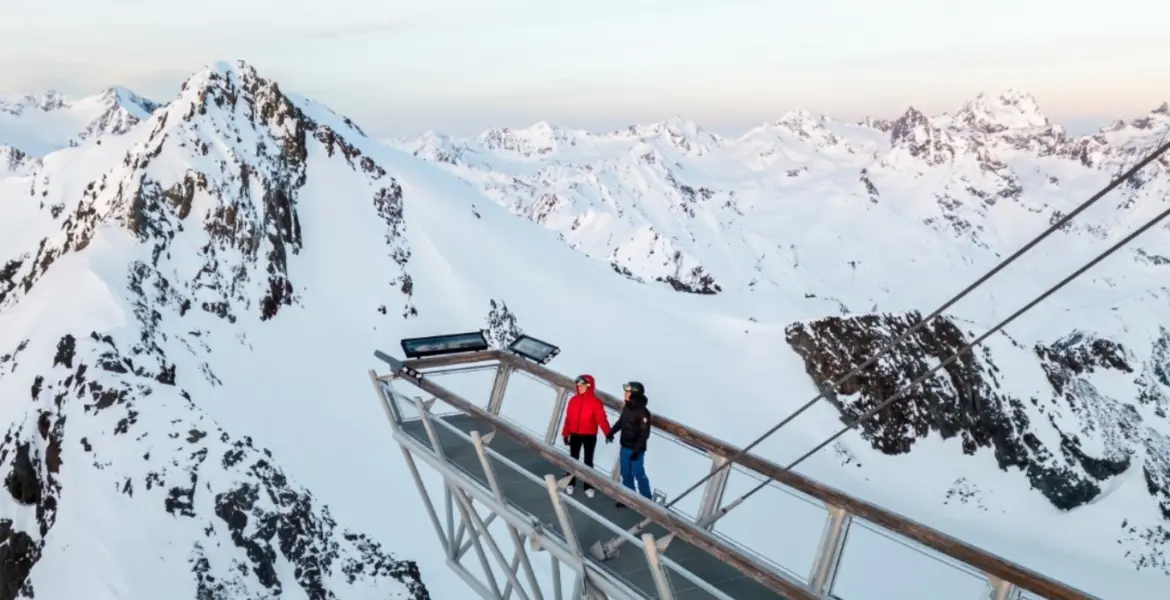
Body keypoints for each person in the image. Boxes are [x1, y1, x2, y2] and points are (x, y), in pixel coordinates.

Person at [560, 374, 612, 498]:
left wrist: (608, 432)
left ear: (589, 386)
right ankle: (569, 482)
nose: (580, 387)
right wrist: (566, 433)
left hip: (589, 435)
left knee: (588, 461)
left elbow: (601, 419)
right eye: (578, 385)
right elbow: (569, 418)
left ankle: (588, 486)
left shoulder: (595, 402)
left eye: (583, 385)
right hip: (575, 434)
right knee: (573, 459)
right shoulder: (573, 400)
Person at [606, 381, 653, 507]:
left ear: (634, 395)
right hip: (625, 447)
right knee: (625, 473)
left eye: (627, 392)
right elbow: (622, 422)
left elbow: (644, 434)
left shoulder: (643, 413)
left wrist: (637, 451)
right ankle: (629, 498)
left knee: (638, 473)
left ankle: (647, 502)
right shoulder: (627, 407)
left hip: (636, 450)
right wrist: (611, 432)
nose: (625, 394)